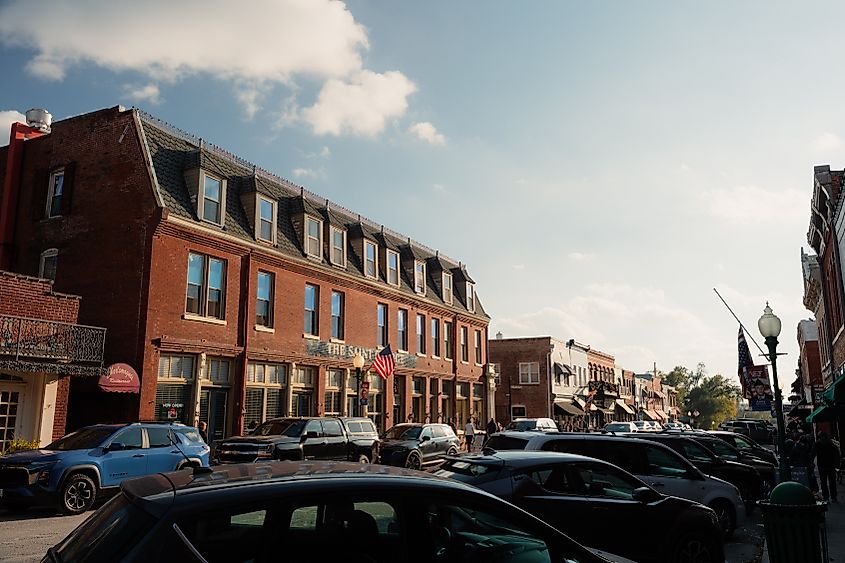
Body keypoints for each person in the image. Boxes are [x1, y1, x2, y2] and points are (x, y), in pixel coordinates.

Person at [815, 432, 840, 503]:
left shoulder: (817, 444)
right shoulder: (831, 444)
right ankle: (833, 497)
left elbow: (813, 453)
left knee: (823, 482)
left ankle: (826, 497)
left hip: (822, 466)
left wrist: (811, 463)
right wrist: (836, 464)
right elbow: (837, 454)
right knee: (832, 482)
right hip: (830, 465)